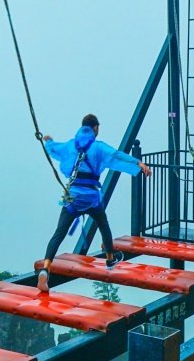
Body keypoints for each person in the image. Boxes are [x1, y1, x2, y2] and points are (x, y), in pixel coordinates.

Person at [37, 114, 152, 292]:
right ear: (95, 128)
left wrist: (48, 142)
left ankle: (45, 267)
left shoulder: (71, 145)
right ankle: (110, 258)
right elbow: (116, 155)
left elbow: (55, 149)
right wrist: (138, 163)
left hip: (73, 197)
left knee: (59, 233)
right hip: (91, 197)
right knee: (102, 223)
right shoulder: (98, 147)